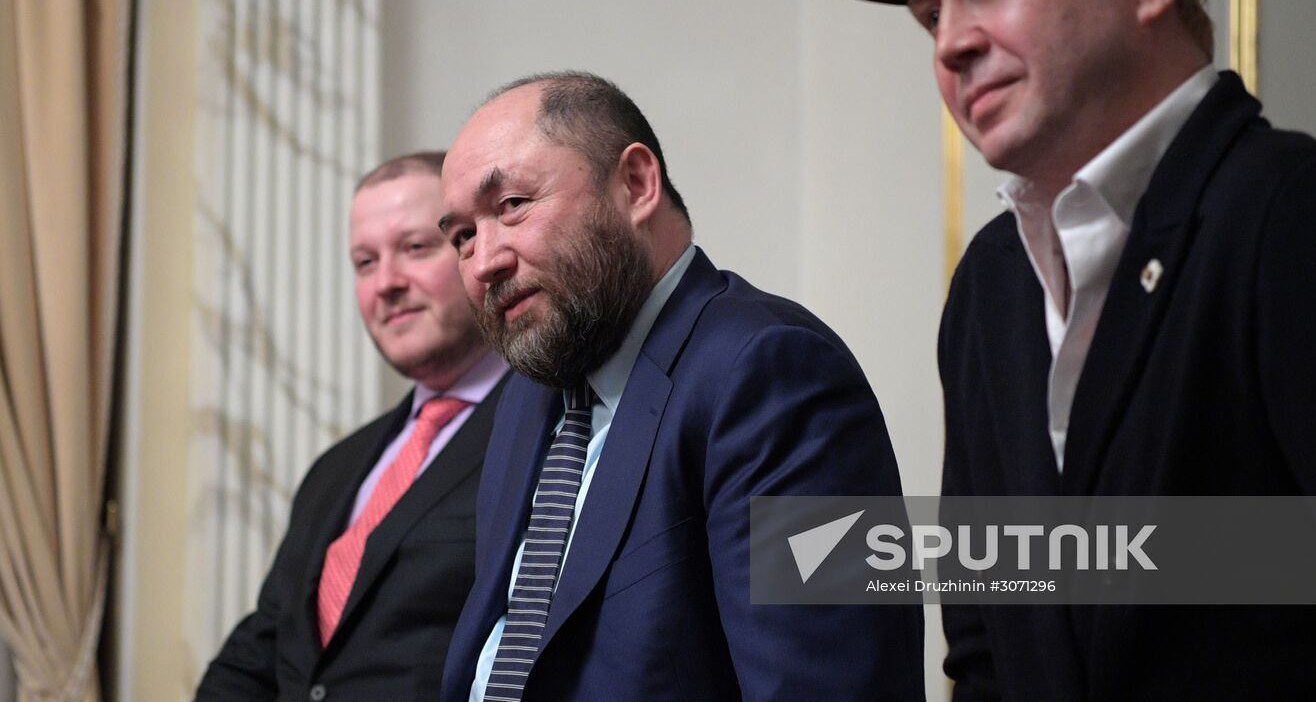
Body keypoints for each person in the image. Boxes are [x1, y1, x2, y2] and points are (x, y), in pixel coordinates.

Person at [812, 0, 1316, 702]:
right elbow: (985, 647)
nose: (951, 42)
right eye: (930, 13)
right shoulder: (991, 287)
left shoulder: (1307, 221)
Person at [436, 72, 924, 700]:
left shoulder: (776, 373)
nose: (484, 263)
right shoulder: (527, 401)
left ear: (636, 185)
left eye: (512, 206)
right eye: (462, 237)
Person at [196, 152, 512, 701]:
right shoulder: (336, 469)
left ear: (473, 248)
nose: (386, 282)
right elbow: (264, 651)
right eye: (365, 262)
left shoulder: (560, 429)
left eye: (415, 248)